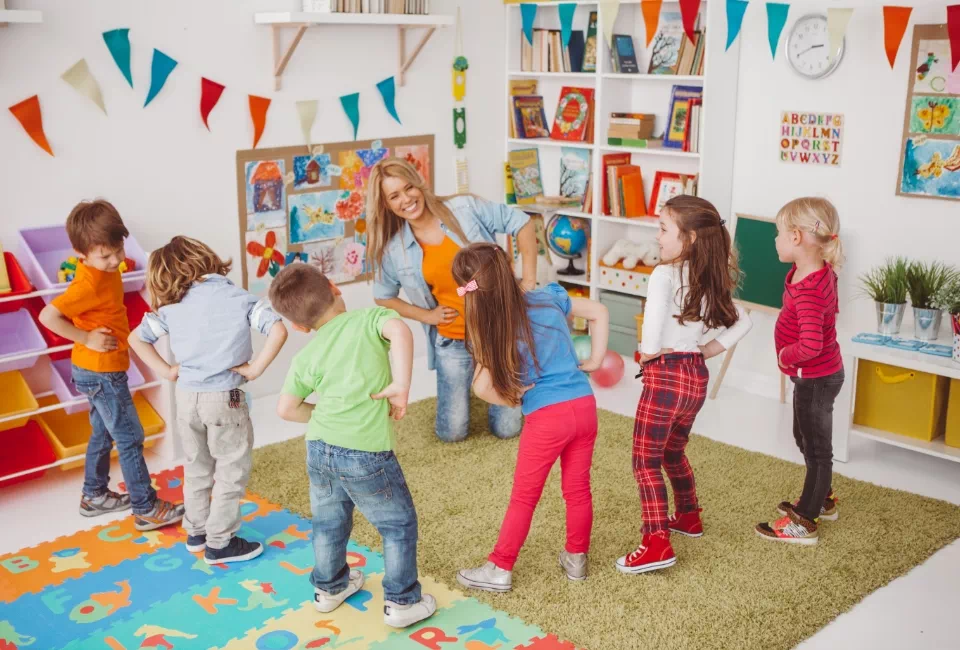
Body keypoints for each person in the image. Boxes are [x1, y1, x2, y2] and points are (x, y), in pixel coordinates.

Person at [270, 263, 436, 628]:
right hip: (365, 452)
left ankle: (330, 589)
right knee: (397, 525)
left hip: (319, 449)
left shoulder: (306, 356)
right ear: (335, 287)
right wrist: (402, 385)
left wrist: (326, 413)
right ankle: (403, 601)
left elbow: (286, 409)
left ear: (299, 327)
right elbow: (401, 330)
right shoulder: (368, 319)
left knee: (328, 523)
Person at [450, 243, 610, 592]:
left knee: (524, 496)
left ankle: (499, 567)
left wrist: (513, 397)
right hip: (584, 405)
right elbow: (598, 310)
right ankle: (576, 559)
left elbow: (480, 386)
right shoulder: (549, 297)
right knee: (578, 489)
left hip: (547, 417)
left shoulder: (492, 326)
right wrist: (596, 360)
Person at [128, 236, 288, 563]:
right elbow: (278, 329)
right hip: (223, 399)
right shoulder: (238, 298)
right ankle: (220, 542)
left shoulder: (172, 306)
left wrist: (167, 371)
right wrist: (255, 369)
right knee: (230, 469)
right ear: (206, 257)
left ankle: (197, 531)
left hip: (186, 397)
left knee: (197, 466)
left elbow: (136, 338)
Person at [616, 195, 752, 574]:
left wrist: (645, 355)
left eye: (663, 229)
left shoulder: (664, 274)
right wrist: (707, 349)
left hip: (666, 376)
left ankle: (656, 542)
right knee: (673, 452)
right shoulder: (710, 277)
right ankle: (688, 516)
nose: (656, 236)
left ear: (689, 238)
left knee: (645, 461)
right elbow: (745, 321)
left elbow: (654, 325)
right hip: (695, 376)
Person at [367, 157, 539, 443]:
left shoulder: (464, 209)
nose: (406, 199)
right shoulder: (395, 250)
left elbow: (521, 223)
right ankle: (482, 384)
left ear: (419, 184)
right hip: (452, 338)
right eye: (394, 196)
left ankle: (497, 384)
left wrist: (529, 281)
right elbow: (383, 297)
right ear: (386, 204)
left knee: (508, 429)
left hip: (499, 330)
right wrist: (428, 316)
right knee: (452, 433)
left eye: (409, 188)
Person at [38, 199, 183, 531]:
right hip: (100, 370)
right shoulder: (87, 282)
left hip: (99, 370)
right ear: (82, 255)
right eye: (105, 256)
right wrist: (85, 338)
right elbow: (49, 315)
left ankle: (94, 495)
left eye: (118, 250)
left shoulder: (107, 268)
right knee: (130, 437)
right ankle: (145, 507)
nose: (116, 260)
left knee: (103, 433)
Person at [756, 197, 845, 546]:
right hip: (815, 378)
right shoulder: (815, 272)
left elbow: (811, 346)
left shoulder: (810, 289)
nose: (775, 240)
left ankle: (805, 521)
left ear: (795, 237)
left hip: (817, 378)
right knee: (804, 437)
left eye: (778, 234)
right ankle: (823, 497)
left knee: (817, 448)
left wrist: (784, 355)